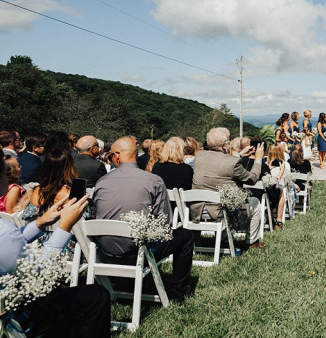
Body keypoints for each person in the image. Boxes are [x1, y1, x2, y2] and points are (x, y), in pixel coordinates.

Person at [0, 153, 110, 337]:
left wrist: (40, 223)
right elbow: (37, 274)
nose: (8, 175)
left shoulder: (33, 194)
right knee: (97, 296)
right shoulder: (3, 231)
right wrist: (65, 226)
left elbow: (11, 242)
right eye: (5, 171)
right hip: (13, 310)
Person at [94, 136, 195, 300]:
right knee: (185, 235)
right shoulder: (153, 180)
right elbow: (165, 224)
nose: (111, 158)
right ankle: (178, 290)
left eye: (111, 155)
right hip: (138, 253)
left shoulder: (101, 182)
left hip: (106, 253)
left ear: (117, 156)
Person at [193, 127, 266, 247]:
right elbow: (252, 179)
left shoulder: (199, 156)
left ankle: (223, 238)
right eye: (228, 141)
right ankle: (252, 241)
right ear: (223, 146)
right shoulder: (232, 162)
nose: (230, 144)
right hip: (219, 212)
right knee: (255, 202)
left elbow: (220, 163)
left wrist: (240, 154)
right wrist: (258, 159)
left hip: (198, 210)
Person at [22, 148, 93, 258]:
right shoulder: (73, 194)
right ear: (70, 167)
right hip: (70, 246)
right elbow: (85, 220)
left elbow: (28, 219)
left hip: (38, 245)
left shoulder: (36, 192)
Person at [262, 144, 288, 230]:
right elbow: (283, 181)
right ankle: (278, 220)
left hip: (264, 193)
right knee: (280, 191)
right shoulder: (285, 164)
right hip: (273, 192)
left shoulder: (264, 163)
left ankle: (271, 217)